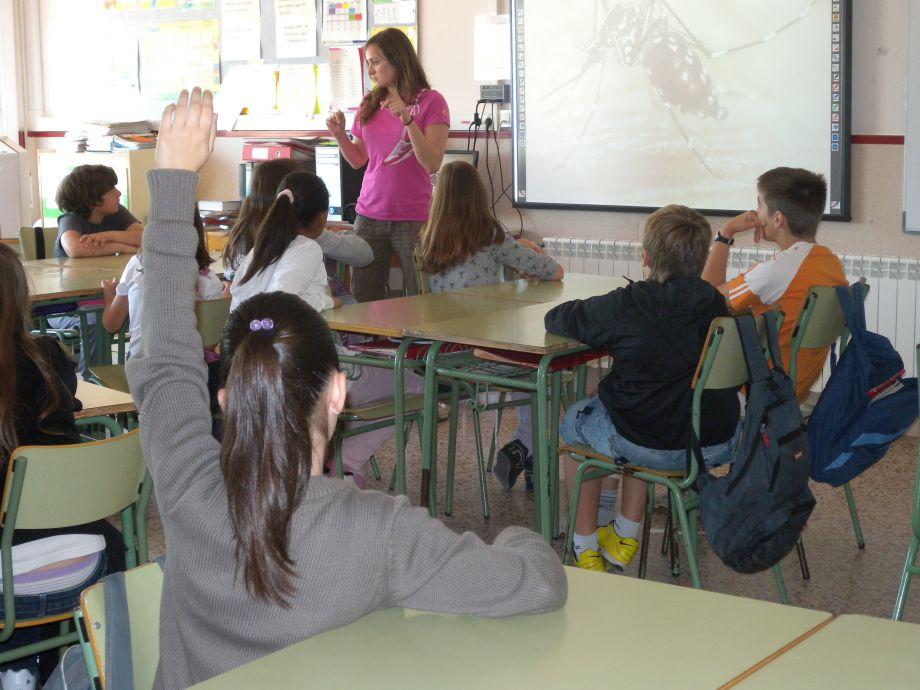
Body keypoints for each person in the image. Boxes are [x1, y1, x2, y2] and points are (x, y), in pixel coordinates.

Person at [130, 88, 565, 689]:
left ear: (225, 399)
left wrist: (172, 180)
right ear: (339, 396)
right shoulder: (380, 530)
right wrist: (523, 535)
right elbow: (537, 584)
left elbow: (166, 355)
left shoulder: (183, 486)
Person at [546, 205, 740, 572]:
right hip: (714, 443)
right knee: (642, 413)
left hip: (650, 444)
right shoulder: (716, 304)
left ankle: (584, 544)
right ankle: (624, 534)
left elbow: (559, 318)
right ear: (701, 259)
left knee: (577, 422)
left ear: (646, 256)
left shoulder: (628, 303)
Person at [230, 169, 422, 485]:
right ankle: (345, 466)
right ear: (321, 218)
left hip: (253, 372)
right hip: (301, 375)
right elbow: (278, 299)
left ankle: (339, 463)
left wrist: (320, 297)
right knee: (414, 384)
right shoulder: (306, 249)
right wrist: (325, 299)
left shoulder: (258, 251)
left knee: (377, 384)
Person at [0, 244, 126, 689]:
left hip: (9, 587)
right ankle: (36, 663)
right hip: (90, 565)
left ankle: (16, 663)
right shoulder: (49, 358)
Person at [419, 160, 564, 492]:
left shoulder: (430, 239)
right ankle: (527, 450)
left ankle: (524, 450)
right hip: (488, 351)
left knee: (523, 367)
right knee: (541, 375)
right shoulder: (489, 233)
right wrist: (527, 253)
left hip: (446, 355)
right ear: (479, 195)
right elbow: (553, 271)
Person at [326, 27, 450, 302]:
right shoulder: (370, 103)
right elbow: (358, 160)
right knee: (364, 296)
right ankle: (369, 345)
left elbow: (432, 163)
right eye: (367, 63)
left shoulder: (431, 101)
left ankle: (418, 345)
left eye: (376, 61)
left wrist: (408, 120)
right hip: (370, 214)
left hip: (413, 216)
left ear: (397, 60)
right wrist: (338, 136)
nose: (370, 70)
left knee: (421, 294)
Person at [702, 167, 847, 401]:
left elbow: (704, 297)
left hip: (759, 389)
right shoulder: (830, 262)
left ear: (777, 219)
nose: (756, 213)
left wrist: (725, 233)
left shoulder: (775, 271)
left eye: (759, 205)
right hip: (796, 384)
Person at [222, 158, 373, 297]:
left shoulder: (241, 233)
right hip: (308, 313)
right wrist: (320, 232)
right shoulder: (305, 236)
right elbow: (366, 255)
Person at [101, 210, 225, 361]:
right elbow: (208, 345)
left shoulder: (138, 267)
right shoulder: (210, 281)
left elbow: (111, 324)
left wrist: (109, 296)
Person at [53, 164, 143, 259]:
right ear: (92, 199)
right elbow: (75, 249)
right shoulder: (70, 219)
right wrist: (122, 247)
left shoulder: (117, 211)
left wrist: (107, 236)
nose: (119, 193)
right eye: (111, 190)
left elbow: (145, 237)